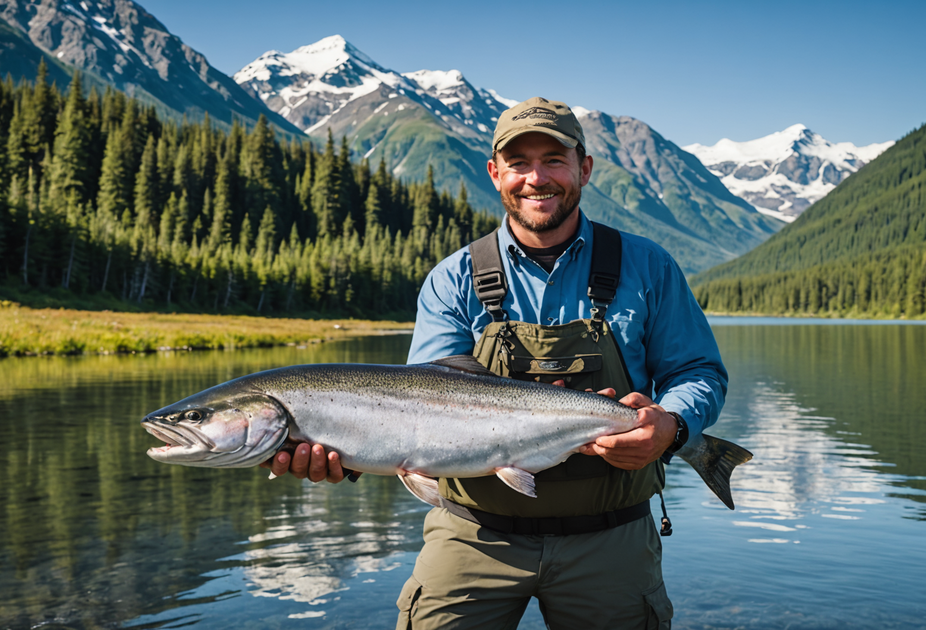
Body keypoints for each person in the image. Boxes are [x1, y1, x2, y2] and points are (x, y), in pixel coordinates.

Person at [265, 97, 727, 629]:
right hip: (473, 532)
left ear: (584, 168)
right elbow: (418, 407)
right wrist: (345, 454)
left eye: (554, 159)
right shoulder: (453, 278)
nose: (537, 178)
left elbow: (699, 372)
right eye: (519, 163)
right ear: (495, 173)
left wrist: (671, 426)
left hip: (612, 534)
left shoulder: (648, 266)